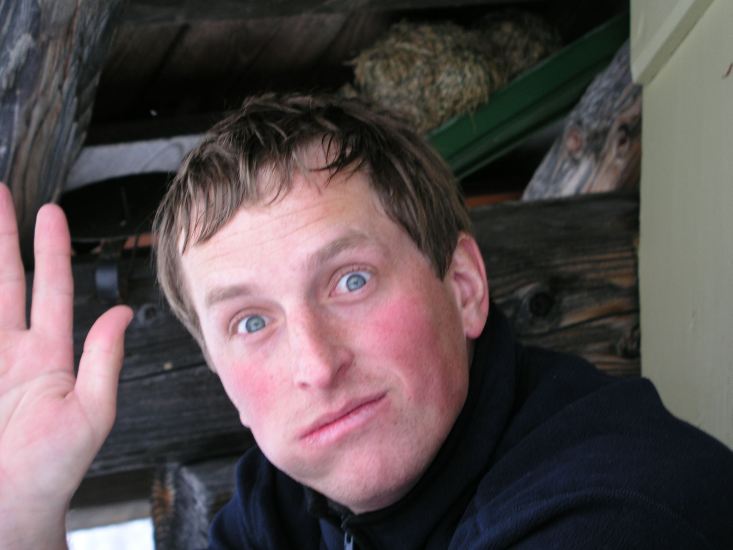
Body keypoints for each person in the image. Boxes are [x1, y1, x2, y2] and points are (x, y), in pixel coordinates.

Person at [1, 93, 732, 549]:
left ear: (464, 287)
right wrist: (24, 516)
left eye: (350, 281)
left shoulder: (611, 514)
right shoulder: (285, 503)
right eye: (251, 323)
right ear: (223, 378)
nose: (316, 366)